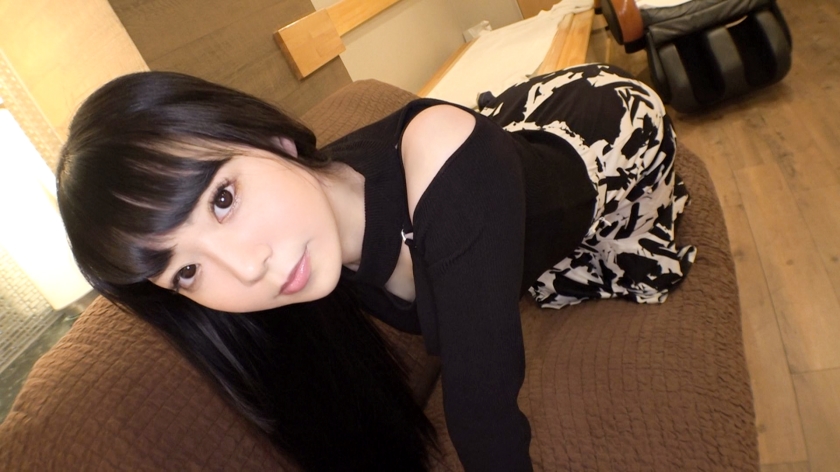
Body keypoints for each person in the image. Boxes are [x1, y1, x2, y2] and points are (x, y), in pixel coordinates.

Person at [57, 63, 695, 471]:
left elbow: (484, 420)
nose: (246, 270)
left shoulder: (447, 165)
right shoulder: (307, 244)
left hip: (606, 133)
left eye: (222, 199)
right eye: (185, 272)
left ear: (270, 138)